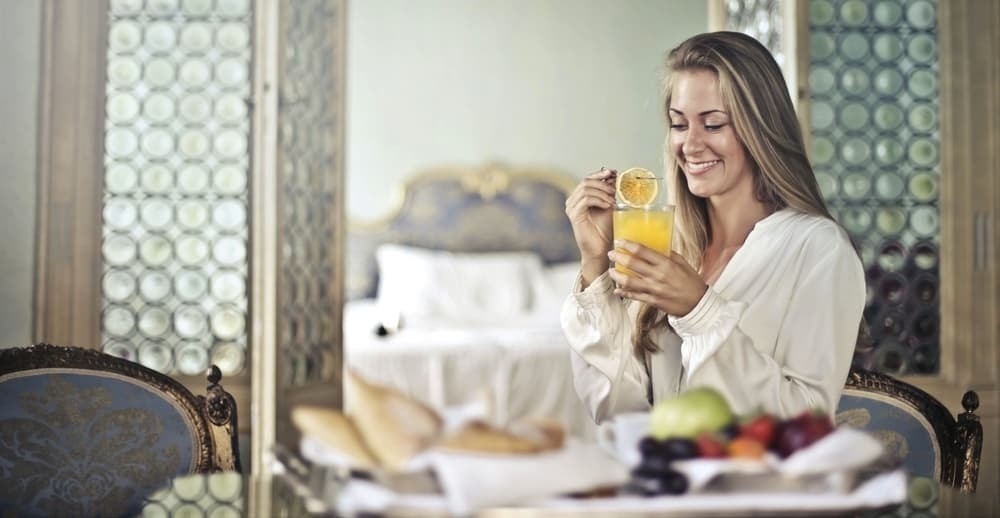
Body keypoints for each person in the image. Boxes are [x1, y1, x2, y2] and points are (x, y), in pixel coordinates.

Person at [561, 31, 865, 424]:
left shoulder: (819, 251)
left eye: (714, 124)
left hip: (754, 485)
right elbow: (620, 413)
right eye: (679, 124)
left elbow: (805, 423)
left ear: (761, 128)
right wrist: (594, 264)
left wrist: (700, 310)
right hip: (663, 482)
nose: (691, 144)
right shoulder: (673, 247)